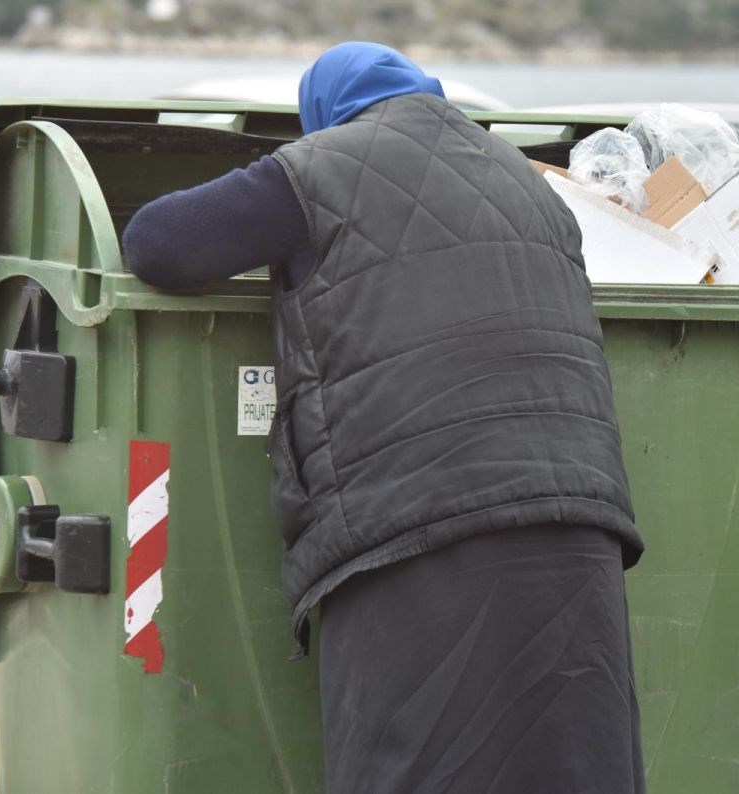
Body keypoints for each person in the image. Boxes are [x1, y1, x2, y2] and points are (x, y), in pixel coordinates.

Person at [124, 42, 646, 794]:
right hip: (578, 523)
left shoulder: (319, 169)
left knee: (416, 763)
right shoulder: (528, 184)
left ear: (324, 114)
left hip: (414, 530)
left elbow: (157, 244)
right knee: (568, 765)